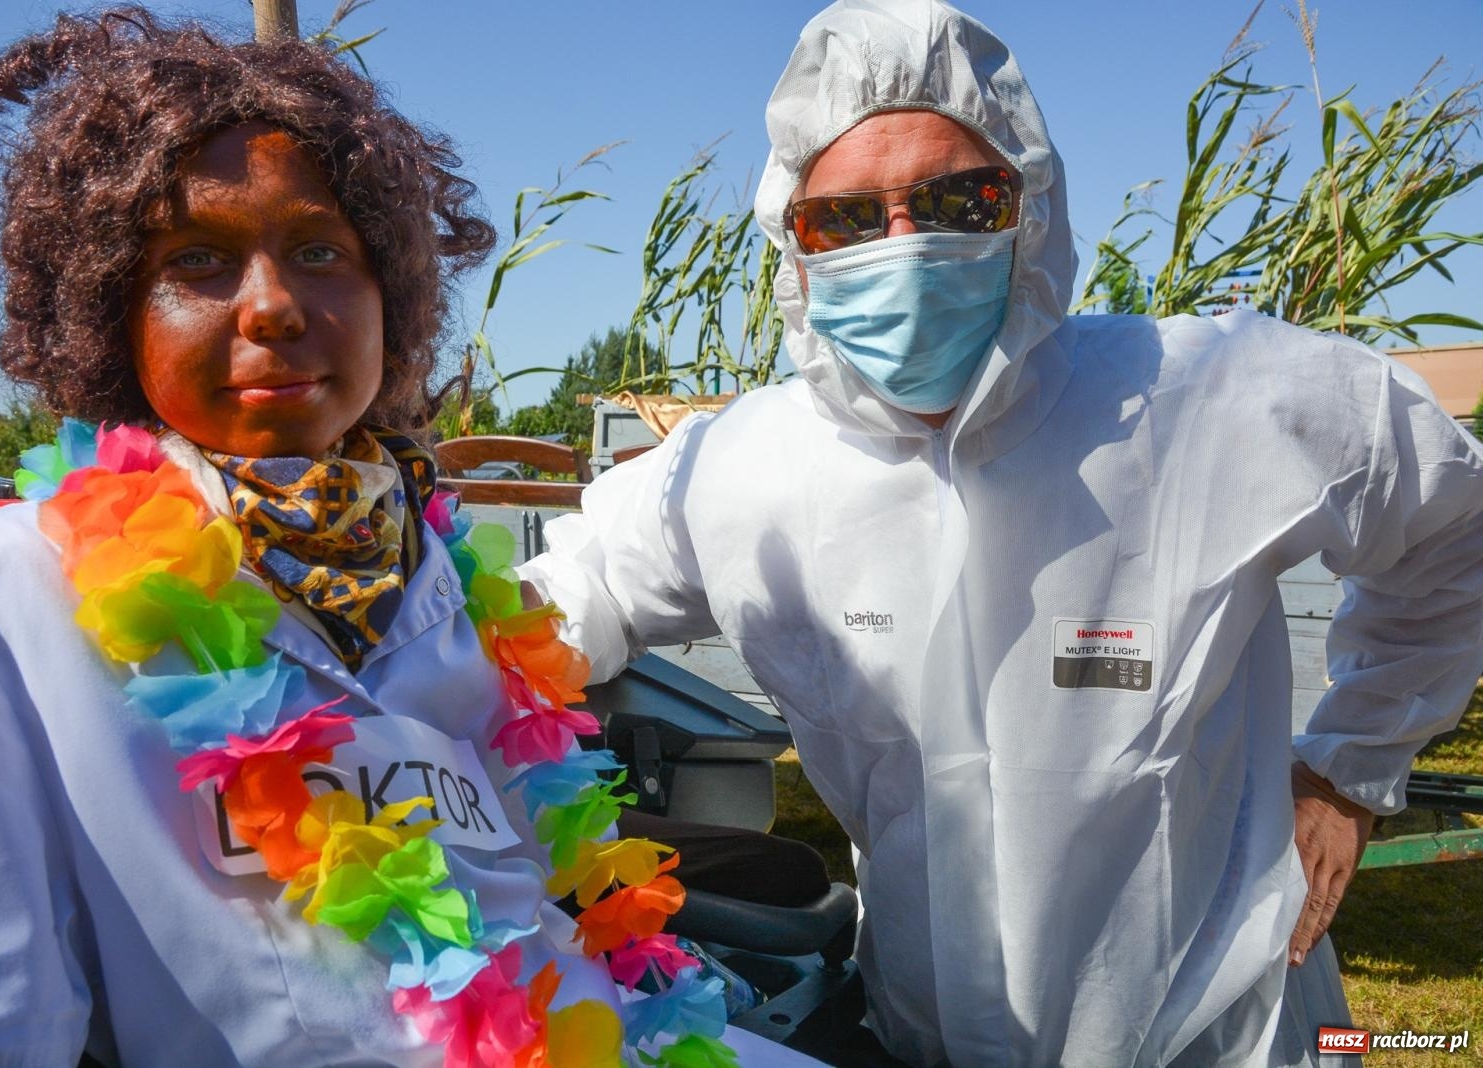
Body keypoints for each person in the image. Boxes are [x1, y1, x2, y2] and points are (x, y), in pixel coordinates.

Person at [519, 2, 1483, 1065]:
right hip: (924, 1030)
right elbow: (563, 608)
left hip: (1228, 1037)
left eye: (953, 200)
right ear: (790, 243)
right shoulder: (740, 471)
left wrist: (1348, 769)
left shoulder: (1214, 400)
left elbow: (1453, 525)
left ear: (1026, 208)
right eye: (843, 217)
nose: (903, 245)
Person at [0, 9, 818, 1066]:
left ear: (394, 296)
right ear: (109, 311)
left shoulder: (464, 597)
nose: (274, 305)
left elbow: (542, 932)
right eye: (196, 260)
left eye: (321, 249)